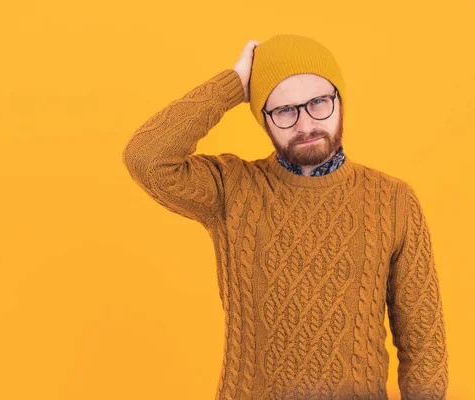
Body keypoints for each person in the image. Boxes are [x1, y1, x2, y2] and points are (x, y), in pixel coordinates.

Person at [122, 34, 448, 399]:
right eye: (284, 110)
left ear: (340, 101)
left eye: (319, 102)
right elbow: (146, 158)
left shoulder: (394, 201)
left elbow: (423, 342)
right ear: (264, 119)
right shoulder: (232, 188)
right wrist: (231, 85)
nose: (305, 124)